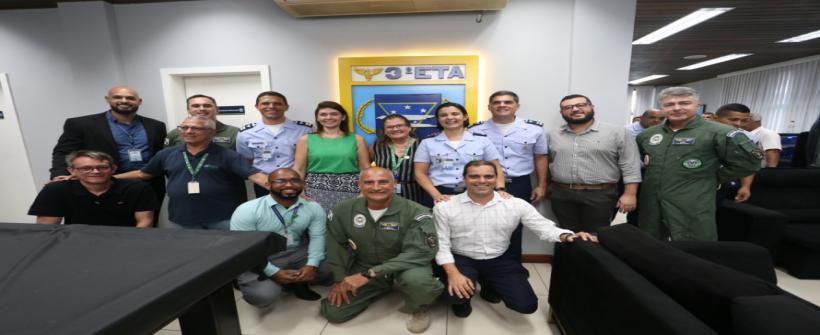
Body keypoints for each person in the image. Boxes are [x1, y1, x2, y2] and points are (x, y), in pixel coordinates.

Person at [434, 160, 596, 317]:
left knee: (526, 306)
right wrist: (453, 273)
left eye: (488, 176)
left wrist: (568, 236)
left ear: (496, 179)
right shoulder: (445, 206)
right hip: (462, 258)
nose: (482, 181)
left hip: (499, 258)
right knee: (454, 296)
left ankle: (488, 284)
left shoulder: (515, 204)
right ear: (464, 179)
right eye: (474, 176)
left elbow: (544, 227)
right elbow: (441, 244)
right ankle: (462, 301)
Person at [320, 167, 443, 333]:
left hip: (405, 265)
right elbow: (335, 245)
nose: (376, 187)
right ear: (359, 185)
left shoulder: (416, 212)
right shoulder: (343, 210)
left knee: (420, 283)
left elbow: (420, 252)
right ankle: (380, 285)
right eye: (369, 182)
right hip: (365, 264)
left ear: (395, 184)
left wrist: (371, 273)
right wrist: (340, 279)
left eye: (383, 182)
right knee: (334, 313)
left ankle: (418, 306)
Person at [637, 87, 762, 241]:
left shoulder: (720, 133)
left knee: (696, 245)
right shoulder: (648, 135)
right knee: (649, 243)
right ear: (662, 107)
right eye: (669, 104)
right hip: (651, 201)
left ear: (697, 106)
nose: (677, 108)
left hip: (693, 200)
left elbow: (750, 162)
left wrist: (713, 177)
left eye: (685, 103)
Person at [116, 116, 269, 230]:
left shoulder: (228, 155)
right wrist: (111, 177)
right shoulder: (166, 154)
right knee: (188, 257)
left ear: (211, 132)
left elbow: (256, 176)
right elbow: (143, 174)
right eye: (184, 127)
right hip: (182, 219)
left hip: (223, 218)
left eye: (195, 128)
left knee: (226, 257)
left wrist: (285, 188)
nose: (188, 131)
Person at [49, 86, 166, 218]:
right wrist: (59, 175)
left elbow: (161, 155)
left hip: (149, 185)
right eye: (117, 97)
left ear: (139, 101)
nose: (124, 100)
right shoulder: (81, 124)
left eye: (130, 98)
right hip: (104, 184)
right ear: (107, 99)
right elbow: (63, 152)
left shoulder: (157, 126)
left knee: (149, 225)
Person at [467, 90, 548, 264]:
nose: (502, 105)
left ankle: (513, 268)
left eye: (507, 102)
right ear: (489, 107)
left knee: (515, 225)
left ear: (516, 106)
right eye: (496, 102)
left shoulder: (534, 129)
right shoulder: (475, 130)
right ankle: (487, 269)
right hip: (484, 184)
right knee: (484, 225)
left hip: (519, 184)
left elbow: (541, 157)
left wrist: (541, 185)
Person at [230, 168, 331, 306]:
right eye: (280, 181)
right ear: (268, 185)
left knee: (332, 269)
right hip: (261, 256)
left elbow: (318, 237)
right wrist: (272, 272)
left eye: (295, 180)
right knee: (263, 296)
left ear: (302, 184)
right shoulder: (247, 210)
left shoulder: (313, 207)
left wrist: (312, 264)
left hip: (297, 252)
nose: (289, 185)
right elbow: (245, 249)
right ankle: (273, 281)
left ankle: (295, 281)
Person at [547, 94, 642, 232]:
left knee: (596, 235)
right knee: (565, 233)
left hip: (600, 194)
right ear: (562, 113)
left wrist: (630, 194)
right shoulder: (552, 135)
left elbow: (630, 164)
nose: (575, 109)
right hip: (561, 194)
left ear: (591, 107)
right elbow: (547, 162)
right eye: (568, 107)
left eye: (580, 105)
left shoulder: (617, 132)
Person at [29, 150, 156, 228]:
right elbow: (46, 229)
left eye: (102, 167)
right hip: (76, 244)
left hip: (126, 242)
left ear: (113, 169)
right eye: (86, 168)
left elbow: (145, 223)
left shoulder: (137, 188)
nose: (95, 171)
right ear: (72, 171)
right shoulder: (55, 190)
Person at [414, 102, 505, 208]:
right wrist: (436, 195)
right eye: (443, 115)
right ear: (438, 119)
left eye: (455, 114)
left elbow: (496, 168)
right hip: (439, 192)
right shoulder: (427, 143)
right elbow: (420, 173)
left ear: (465, 117)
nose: (449, 117)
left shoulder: (483, 141)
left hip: (476, 192)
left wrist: (500, 189)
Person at [293, 101, 370, 214]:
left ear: (343, 117)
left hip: (351, 189)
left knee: (348, 224)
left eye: (334, 114)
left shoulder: (357, 139)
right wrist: (299, 190)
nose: (329, 117)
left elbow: (365, 168)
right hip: (315, 190)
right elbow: (299, 169)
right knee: (319, 225)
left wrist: (364, 191)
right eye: (323, 114)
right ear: (317, 118)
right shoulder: (306, 139)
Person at [237, 91, 314, 197]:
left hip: (298, 183)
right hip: (264, 184)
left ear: (286, 107)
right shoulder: (246, 133)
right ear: (257, 106)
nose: (271, 106)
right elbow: (247, 160)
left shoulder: (305, 129)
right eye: (265, 103)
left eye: (277, 103)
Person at [371, 114, 423, 203]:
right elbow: (367, 167)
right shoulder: (378, 146)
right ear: (384, 131)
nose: (395, 129)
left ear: (409, 127)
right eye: (390, 127)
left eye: (399, 126)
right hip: (384, 191)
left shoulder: (422, 145)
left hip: (416, 192)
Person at [715, 103, 759, 203]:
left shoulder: (748, 138)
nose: (739, 124)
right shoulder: (702, 134)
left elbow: (748, 164)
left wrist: (746, 186)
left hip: (722, 183)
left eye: (744, 121)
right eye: (733, 119)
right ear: (716, 118)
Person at [165, 94, 239, 149]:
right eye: (196, 106)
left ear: (217, 109)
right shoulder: (175, 134)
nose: (202, 109)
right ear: (188, 110)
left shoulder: (235, 132)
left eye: (207, 106)